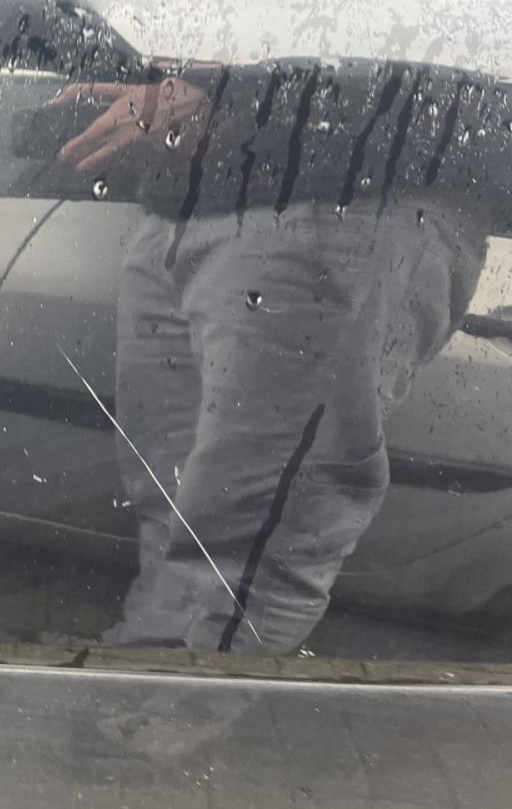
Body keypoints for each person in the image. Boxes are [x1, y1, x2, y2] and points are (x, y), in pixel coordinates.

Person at [52, 57, 503, 653]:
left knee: (258, 535)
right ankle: (146, 663)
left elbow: (440, 38)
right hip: (185, 198)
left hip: (353, 200)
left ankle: (186, 708)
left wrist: (230, 90)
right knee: (173, 500)